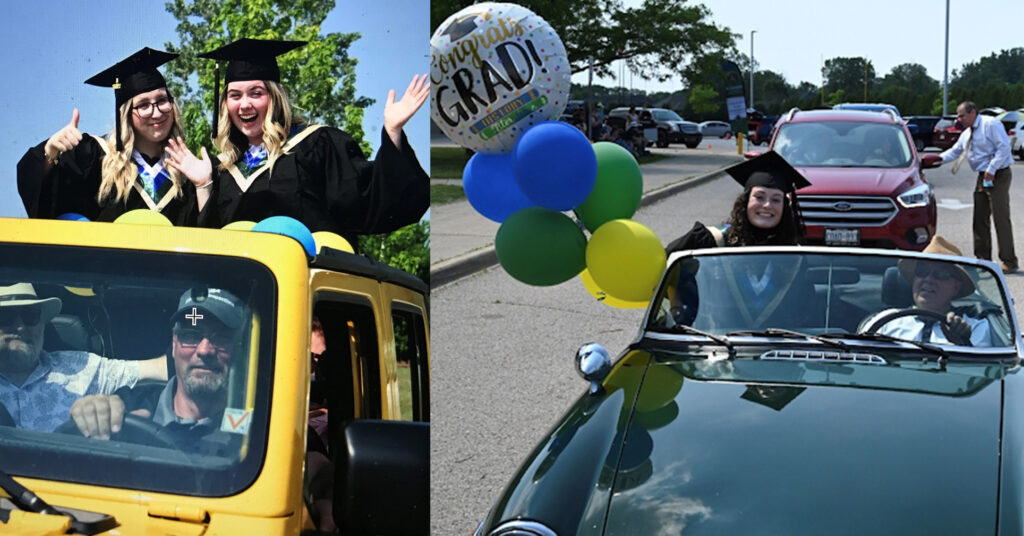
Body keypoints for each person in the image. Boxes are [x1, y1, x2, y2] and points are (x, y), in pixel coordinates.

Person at [193, 38, 429, 246]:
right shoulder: (224, 169)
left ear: (275, 96)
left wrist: (393, 131)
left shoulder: (316, 145)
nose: (245, 104)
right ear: (225, 104)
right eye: (235, 95)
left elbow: (368, 199)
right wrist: (204, 185)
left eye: (256, 93)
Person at [17, 48, 213, 224]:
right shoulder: (94, 157)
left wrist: (204, 185)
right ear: (125, 113)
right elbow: (47, 206)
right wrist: (49, 152)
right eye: (143, 105)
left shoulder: (185, 169)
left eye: (162, 100)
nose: (156, 112)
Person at [0, 283, 167, 432]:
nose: (20, 327)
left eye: (30, 315)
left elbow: (163, 368)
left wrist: (189, 331)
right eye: (5, 316)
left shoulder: (82, 366)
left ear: (42, 325)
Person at [666, 150, 811, 252]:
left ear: (784, 207)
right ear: (746, 201)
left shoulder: (792, 253)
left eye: (776, 199)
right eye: (759, 197)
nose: (767, 205)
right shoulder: (715, 240)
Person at [865, 236, 992, 346]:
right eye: (922, 271)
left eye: (941, 274)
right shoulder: (885, 322)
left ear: (956, 287)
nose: (928, 279)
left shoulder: (975, 328)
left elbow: (978, 371)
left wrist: (962, 342)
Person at [938, 101, 1018, 273]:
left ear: (973, 112)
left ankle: (1009, 261)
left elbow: (1004, 148)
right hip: (984, 176)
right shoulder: (967, 133)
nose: (959, 120)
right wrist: (935, 159)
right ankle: (983, 260)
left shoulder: (991, 124)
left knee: (1000, 218)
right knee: (979, 218)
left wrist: (992, 169)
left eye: (962, 116)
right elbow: (955, 151)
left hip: (999, 174)